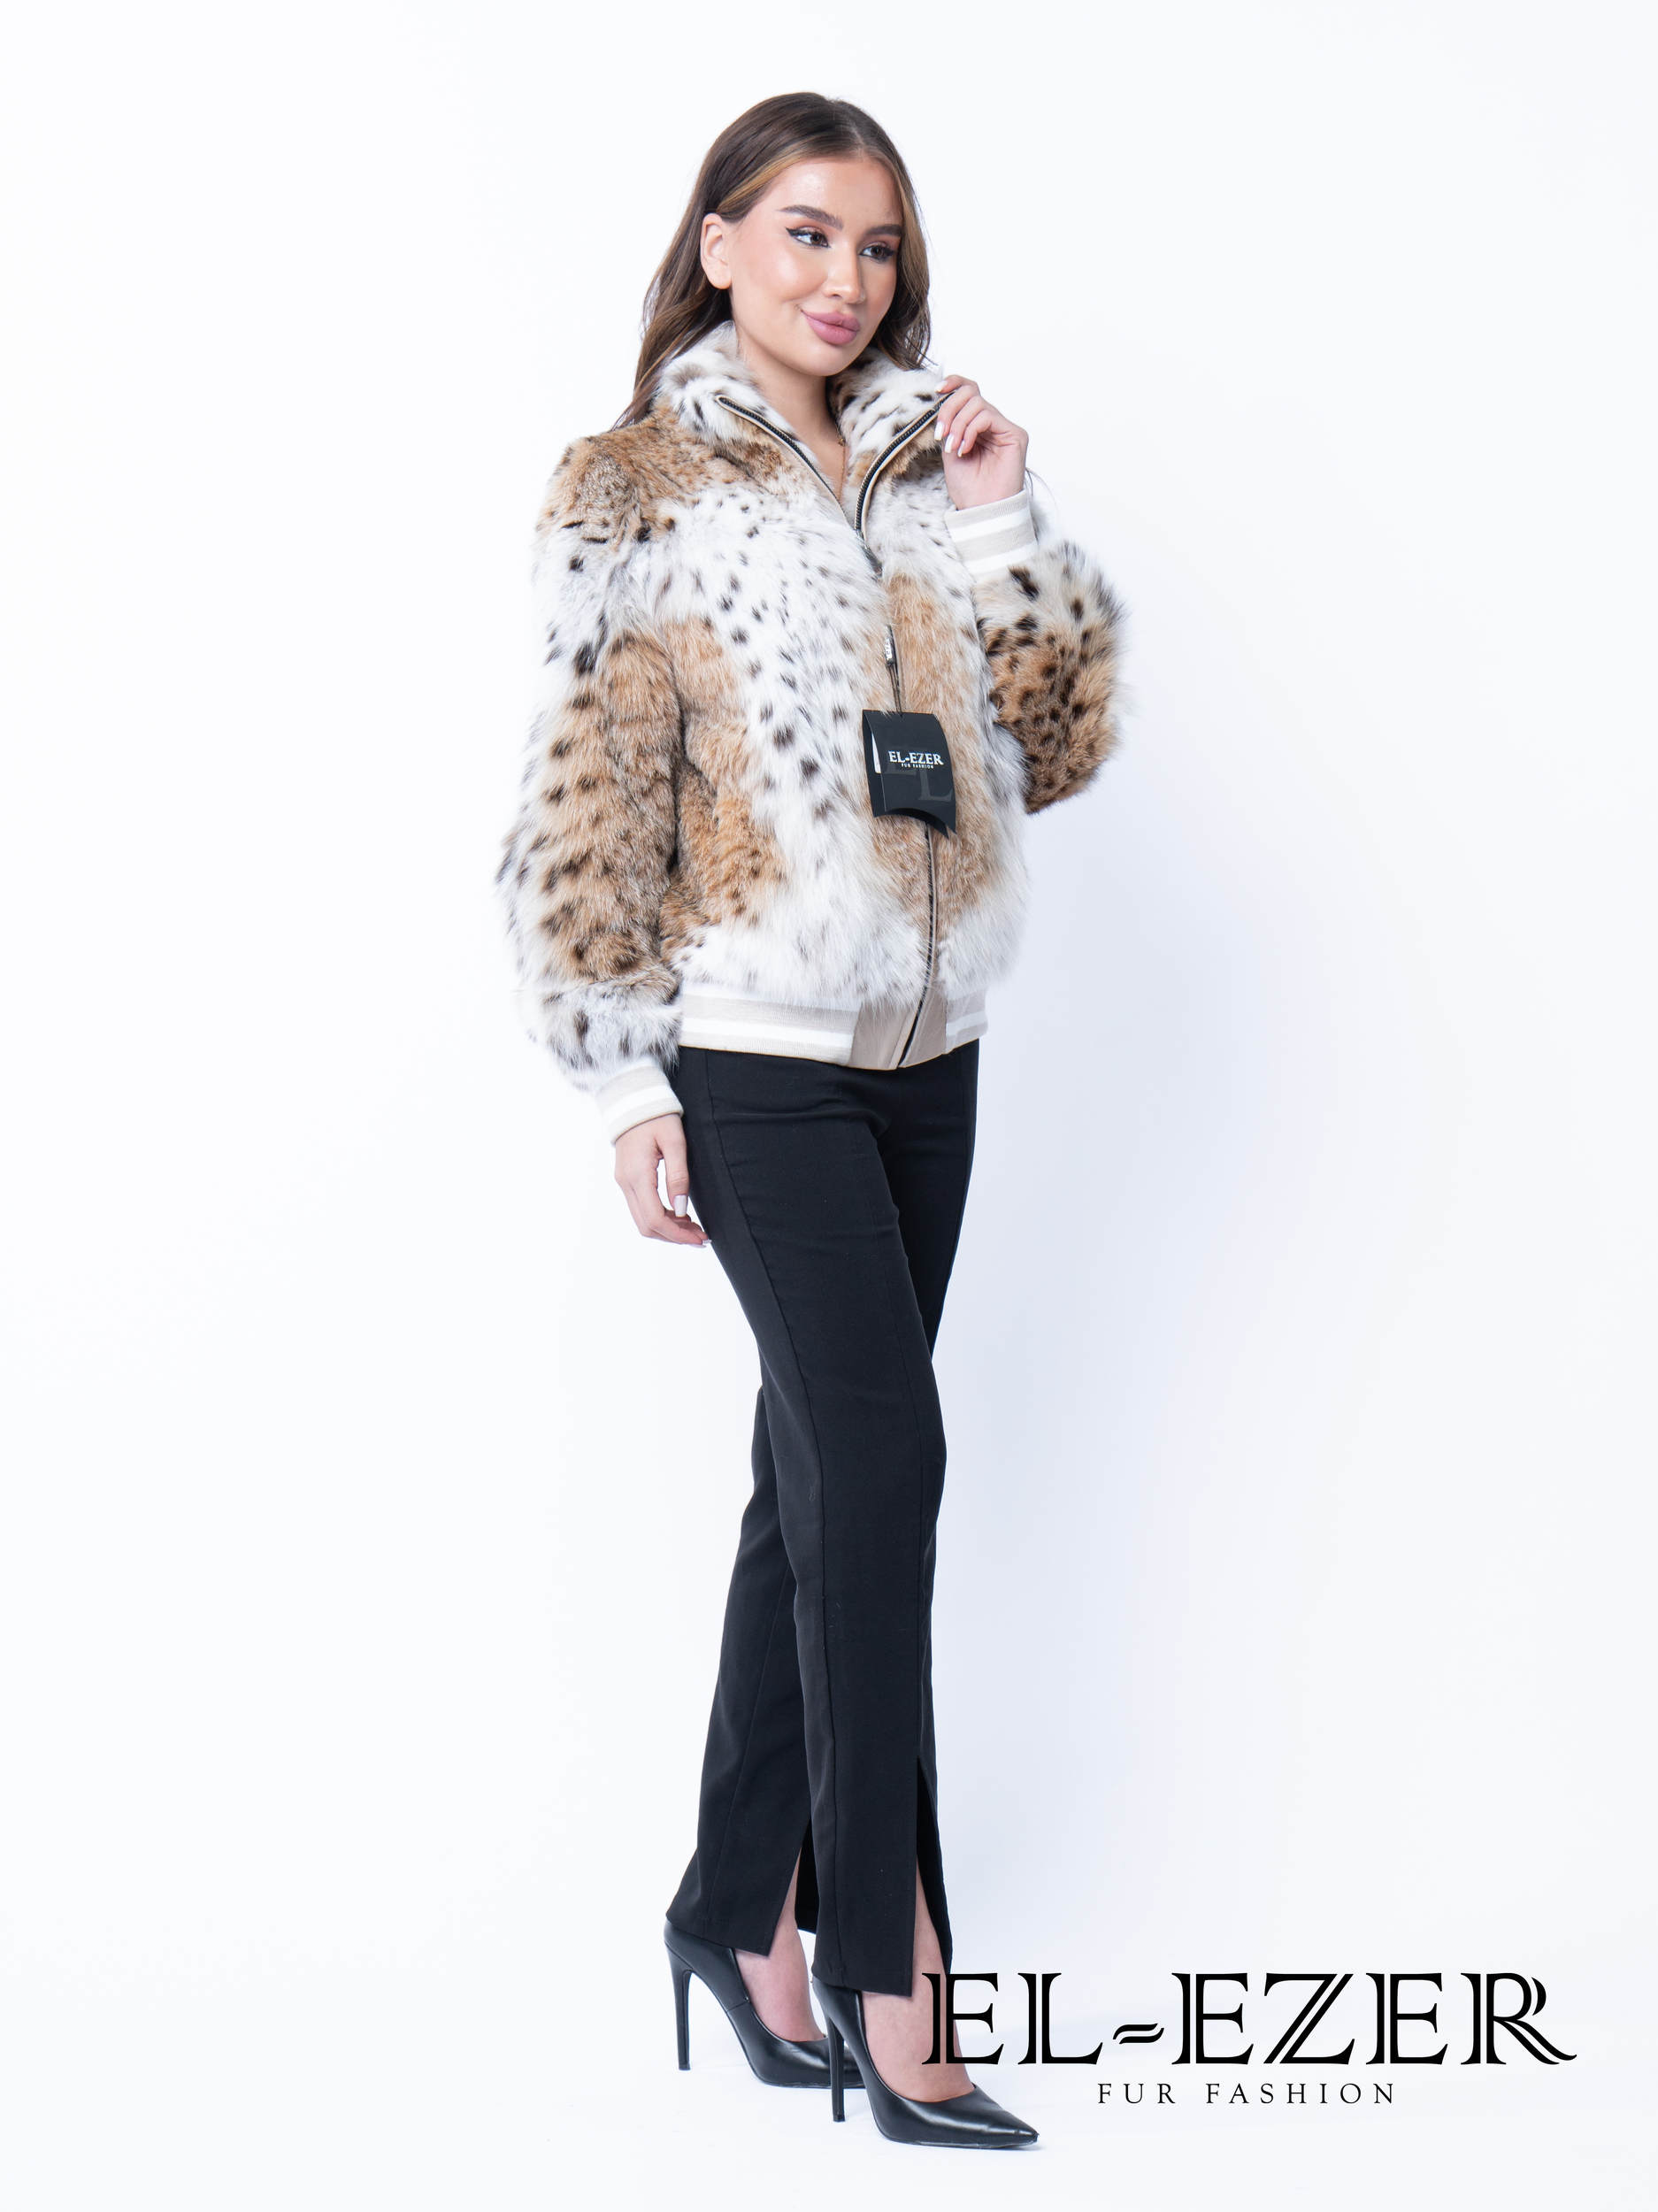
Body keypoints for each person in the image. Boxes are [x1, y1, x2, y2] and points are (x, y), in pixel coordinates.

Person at [496, 90, 1125, 2150]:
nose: (845, 278)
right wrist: (621, 1074)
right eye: (803, 232)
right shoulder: (632, 485)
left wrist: (1004, 516)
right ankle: (881, 1954)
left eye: (874, 246)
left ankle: (726, 1907)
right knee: (883, 1454)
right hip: (753, 1050)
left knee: (818, 1473)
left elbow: (1056, 746)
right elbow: (586, 792)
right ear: (716, 244)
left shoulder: (929, 470)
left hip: (931, 1053)